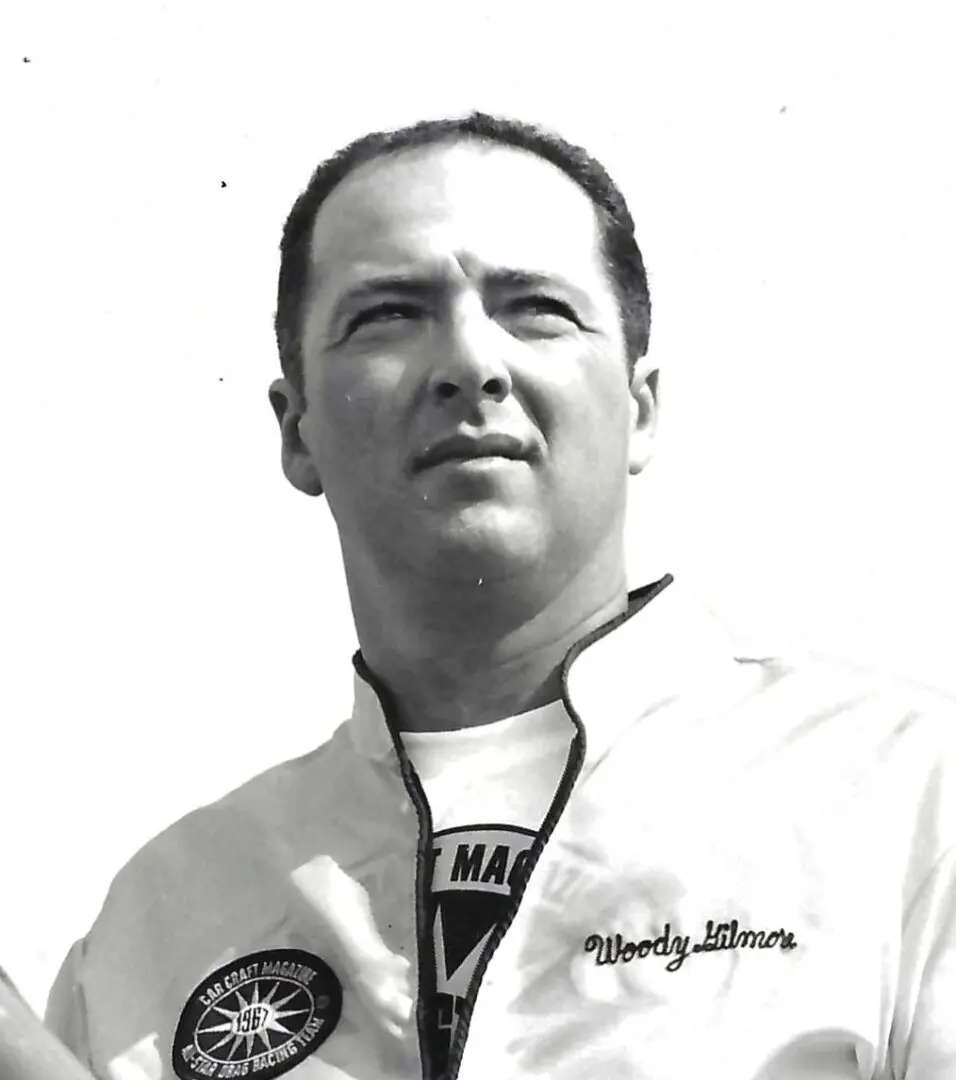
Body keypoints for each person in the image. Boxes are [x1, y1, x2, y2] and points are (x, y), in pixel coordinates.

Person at [44, 112, 956, 1080]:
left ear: (640, 408)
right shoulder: (162, 918)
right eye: (388, 313)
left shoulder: (902, 797)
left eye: (535, 309)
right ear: (295, 427)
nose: (470, 364)